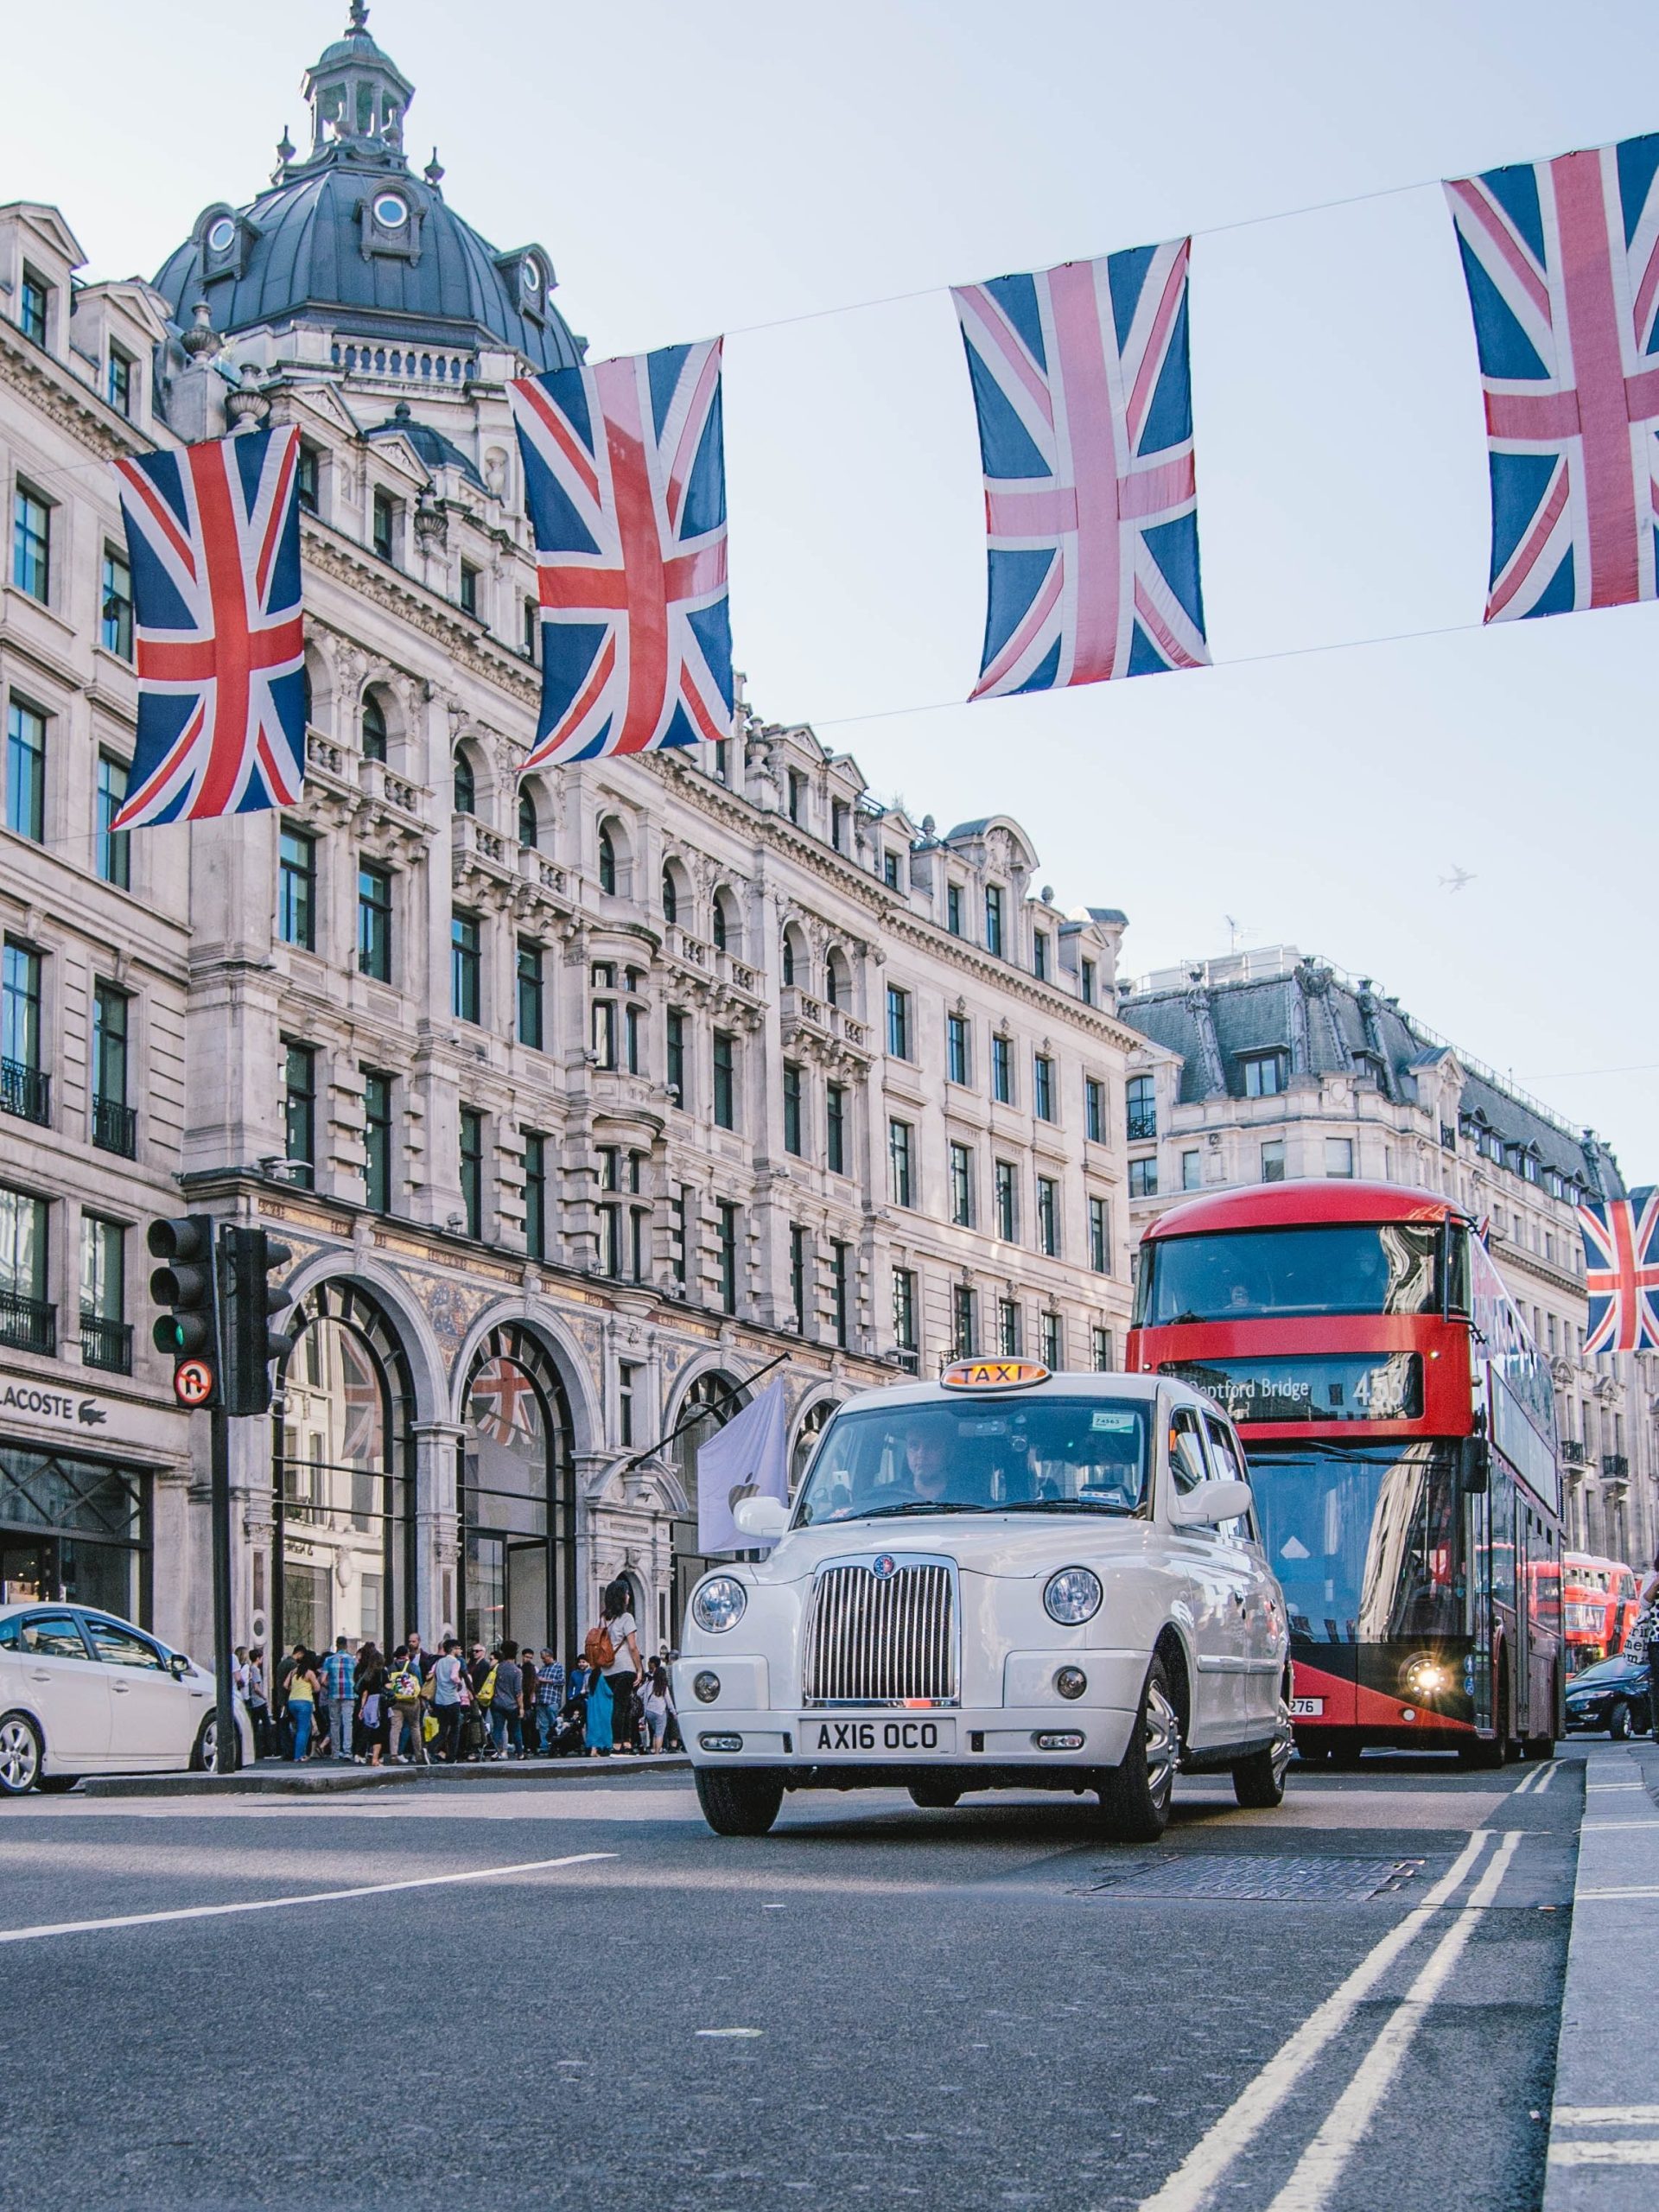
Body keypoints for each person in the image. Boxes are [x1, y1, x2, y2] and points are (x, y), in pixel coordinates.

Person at [599, 1580, 644, 1755]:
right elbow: (633, 1647)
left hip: (608, 1669)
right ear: (622, 1596)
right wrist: (639, 1669)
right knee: (621, 1706)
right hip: (625, 1666)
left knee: (622, 1705)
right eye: (627, 1592)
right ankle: (618, 1745)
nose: (629, 1596)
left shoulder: (604, 1618)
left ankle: (626, 1743)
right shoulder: (627, 1618)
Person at [386, 1643, 427, 1765]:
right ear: (407, 1655)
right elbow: (419, 1683)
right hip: (412, 1701)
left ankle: (394, 1754)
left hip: (395, 1701)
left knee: (395, 1728)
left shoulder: (391, 1668)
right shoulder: (413, 1667)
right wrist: (422, 1700)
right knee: (415, 1726)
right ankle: (418, 1754)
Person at [320, 1635, 357, 1763]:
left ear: (336, 1645)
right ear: (346, 1645)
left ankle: (335, 1752)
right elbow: (356, 1678)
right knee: (348, 1723)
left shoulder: (329, 1660)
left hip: (334, 1694)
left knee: (334, 1723)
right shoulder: (353, 1661)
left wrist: (330, 1686)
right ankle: (347, 1751)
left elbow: (323, 1680)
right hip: (349, 1694)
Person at [429, 1636, 467, 1763]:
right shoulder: (455, 1662)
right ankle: (451, 1756)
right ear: (453, 1649)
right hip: (452, 1699)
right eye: (459, 1648)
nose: (460, 1651)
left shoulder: (439, 1662)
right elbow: (453, 1676)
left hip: (440, 1700)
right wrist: (459, 1684)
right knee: (455, 1729)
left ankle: (430, 1748)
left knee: (443, 1728)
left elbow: (430, 1674)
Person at [285, 1645, 319, 1762]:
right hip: (305, 1701)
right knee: (302, 1729)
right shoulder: (309, 1673)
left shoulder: (293, 1671)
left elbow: (285, 1685)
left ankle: (302, 1752)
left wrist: (295, 1689)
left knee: (305, 1727)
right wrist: (309, 1690)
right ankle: (298, 1756)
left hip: (292, 1701)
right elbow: (317, 1688)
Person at [490, 1643, 524, 1758]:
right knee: (516, 1730)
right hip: (512, 1704)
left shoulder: (497, 1668)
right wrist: (521, 1707)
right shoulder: (517, 1671)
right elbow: (518, 1691)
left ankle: (498, 1752)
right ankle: (520, 1754)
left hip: (497, 1702)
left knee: (498, 1729)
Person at [356, 1643, 387, 1766]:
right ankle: (375, 1757)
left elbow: (364, 1693)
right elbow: (388, 1687)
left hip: (369, 1703)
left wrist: (362, 1708)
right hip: (380, 1702)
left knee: (368, 1729)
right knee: (379, 1731)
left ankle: (361, 1753)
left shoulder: (368, 1674)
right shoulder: (382, 1673)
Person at [535, 1649, 566, 1754]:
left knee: (554, 1724)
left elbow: (561, 1681)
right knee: (543, 1725)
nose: (543, 1660)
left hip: (552, 1700)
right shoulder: (543, 1669)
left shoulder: (559, 1667)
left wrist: (546, 1680)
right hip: (541, 1699)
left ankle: (555, 1745)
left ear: (549, 1656)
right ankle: (544, 1746)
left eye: (544, 1658)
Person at [244, 1645, 272, 1758]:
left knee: (254, 1726)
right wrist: (264, 1697)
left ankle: (255, 1750)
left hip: (253, 1702)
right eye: (261, 1658)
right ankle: (268, 1750)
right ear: (258, 1658)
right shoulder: (255, 1670)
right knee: (267, 1726)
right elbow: (256, 1687)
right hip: (259, 1702)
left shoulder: (250, 1669)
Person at [641, 1658, 673, 1754]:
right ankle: (657, 1752)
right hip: (660, 1712)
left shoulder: (649, 1684)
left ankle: (654, 1749)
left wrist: (645, 1697)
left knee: (655, 1732)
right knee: (660, 1733)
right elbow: (668, 1701)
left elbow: (639, 1692)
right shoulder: (664, 1686)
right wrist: (673, 1711)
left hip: (649, 1711)